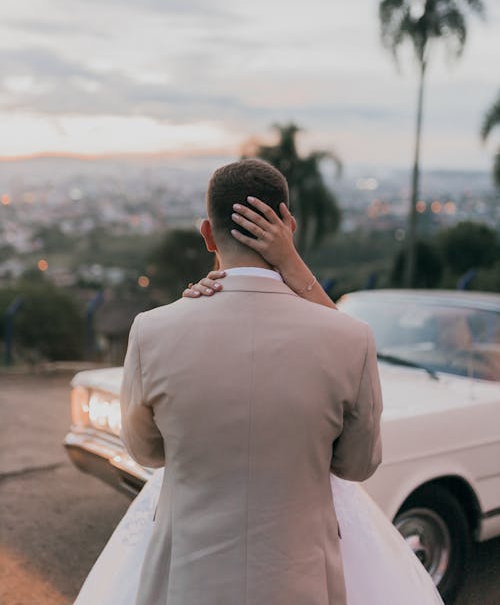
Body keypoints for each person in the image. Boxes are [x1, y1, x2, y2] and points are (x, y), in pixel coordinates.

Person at [74, 159, 443, 605]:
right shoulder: (349, 337)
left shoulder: (151, 331)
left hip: (185, 581)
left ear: (208, 234)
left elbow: (146, 451)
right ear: (289, 226)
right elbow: (356, 465)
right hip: (301, 582)